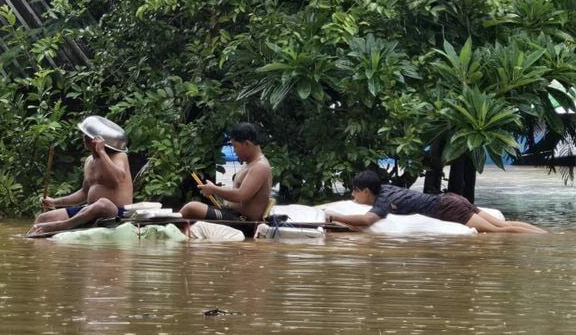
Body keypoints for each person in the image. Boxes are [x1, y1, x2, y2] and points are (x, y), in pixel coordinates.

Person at [326, 170, 547, 234]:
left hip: (448, 207)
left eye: (355, 192)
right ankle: (544, 235)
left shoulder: (383, 199)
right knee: (504, 225)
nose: (353, 196)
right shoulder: (385, 188)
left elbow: (366, 221)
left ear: (366, 191)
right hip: (451, 198)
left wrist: (334, 216)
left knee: (497, 232)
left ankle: (540, 240)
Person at [27, 116, 134, 236]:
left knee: (103, 203)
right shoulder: (89, 160)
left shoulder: (119, 156)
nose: (84, 138)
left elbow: (118, 178)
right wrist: (54, 202)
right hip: (89, 209)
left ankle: (64, 225)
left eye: (88, 136)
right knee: (44, 218)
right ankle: (29, 243)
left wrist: (102, 152)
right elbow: (84, 192)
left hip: (113, 211)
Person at [179, 122, 273, 222]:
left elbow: (240, 195)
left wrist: (214, 189)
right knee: (191, 209)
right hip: (230, 214)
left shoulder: (260, 166)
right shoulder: (249, 164)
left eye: (235, 147)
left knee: (191, 208)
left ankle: (165, 230)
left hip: (243, 221)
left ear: (247, 144)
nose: (234, 151)